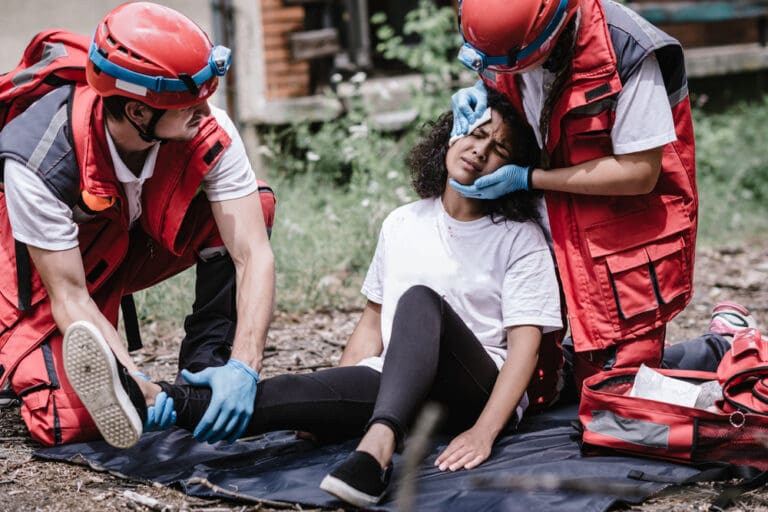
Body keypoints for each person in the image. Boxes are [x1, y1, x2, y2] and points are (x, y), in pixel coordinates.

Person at [62, 88, 563, 507]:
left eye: (498, 149)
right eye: (476, 133)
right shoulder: (403, 222)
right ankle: (153, 400)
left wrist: (486, 432)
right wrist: (327, 400)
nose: (480, 150)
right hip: (399, 384)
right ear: (451, 134)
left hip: (471, 390)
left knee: (419, 302)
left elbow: (524, 349)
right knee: (287, 396)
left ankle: (376, 450)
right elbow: (371, 324)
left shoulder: (518, 237)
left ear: (511, 168)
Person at [0, 2, 276, 448]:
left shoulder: (204, 127)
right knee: (66, 422)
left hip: (129, 245)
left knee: (255, 207)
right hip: (48, 271)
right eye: (189, 103)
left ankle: (206, 363)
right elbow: (69, 297)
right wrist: (136, 383)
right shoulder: (37, 160)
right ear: (137, 112)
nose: (205, 112)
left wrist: (245, 366)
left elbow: (253, 254)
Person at [449, 0, 698, 390]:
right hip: (546, 235)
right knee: (535, 388)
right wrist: (485, 87)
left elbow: (640, 173)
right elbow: (516, 83)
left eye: (507, 66)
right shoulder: (509, 33)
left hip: (619, 250)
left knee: (611, 403)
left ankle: (723, 344)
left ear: (550, 39)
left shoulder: (627, 51)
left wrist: (530, 179)